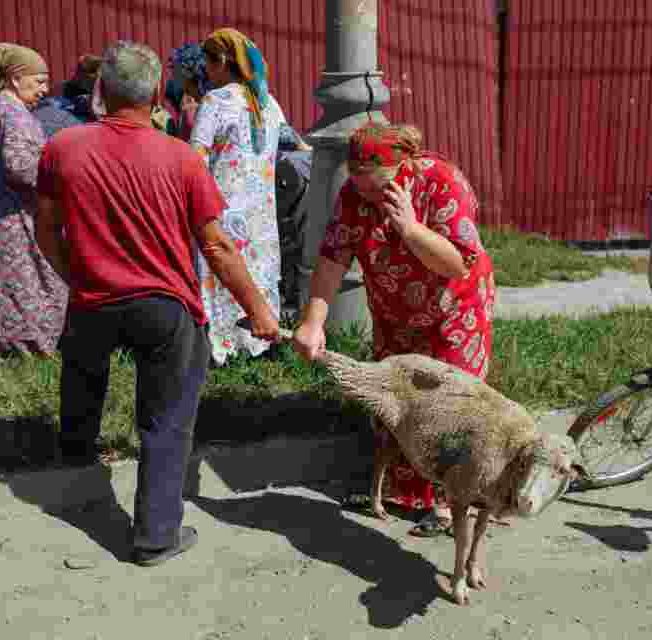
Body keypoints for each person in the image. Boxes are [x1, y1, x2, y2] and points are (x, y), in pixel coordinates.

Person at [35, 40, 279, 565]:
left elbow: (46, 229)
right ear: (155, 97)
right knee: (167, 420)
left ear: (102, 90)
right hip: (166, 306)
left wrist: (74, 275)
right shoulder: (182, 159)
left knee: (82, 371)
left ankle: (74, 457)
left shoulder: (63, 147)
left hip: (94, 298)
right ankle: (154, 536)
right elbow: (216, 244)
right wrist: (258, 310)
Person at [293, 122, 497, 537]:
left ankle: (446, 504)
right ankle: (403, 491)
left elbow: (456, 263)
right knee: (398, 402)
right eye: (358, 184)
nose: (363, 195)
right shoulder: (353, 194)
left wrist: (409, 228)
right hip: (395, 314)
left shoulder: (440, 183)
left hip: (453, 314)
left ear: (401, 170)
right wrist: (313, 322)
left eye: (372, 188)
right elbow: (332, 259)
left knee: (452, 407)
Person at [0, 43, 68, 362]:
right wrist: (61, 178)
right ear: (16, 79)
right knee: (32, 283)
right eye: (39, 81)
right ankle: (29, 349)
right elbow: (20, 167)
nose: (45, 90)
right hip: (8, 219)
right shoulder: (12, 112)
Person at [190, 28, 290, 364]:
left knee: (221, 268)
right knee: (256, 270)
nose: (205, 71)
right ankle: (257, 342)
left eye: (207, 63)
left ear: (221, 61)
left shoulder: (216, 101)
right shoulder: (269, 104)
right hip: (260, 213)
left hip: (221, 207)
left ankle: (221, 346)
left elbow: (195, 157)